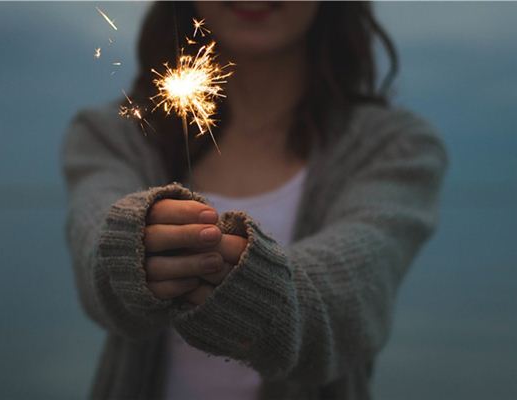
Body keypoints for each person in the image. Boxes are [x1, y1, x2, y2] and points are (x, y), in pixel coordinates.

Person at [61, 2, 448, 399]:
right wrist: (131, 246)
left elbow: (356, 292)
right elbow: (96, 241)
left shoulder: (395, 148)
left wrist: (254, 285)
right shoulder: (113, 134)